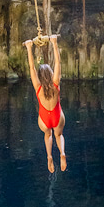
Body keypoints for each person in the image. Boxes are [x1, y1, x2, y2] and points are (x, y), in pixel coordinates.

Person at [24, 33, 66, 173]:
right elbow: (58, 63)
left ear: (41, 77)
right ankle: (62, 153)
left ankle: (49, 156)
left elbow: (32, 68)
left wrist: (29, 48)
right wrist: (54, 43)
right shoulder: (55, 84)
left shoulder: (38, 88)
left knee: (48, 135)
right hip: (57, 116)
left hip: (44, 119)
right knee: (58, 135)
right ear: (50, 73)